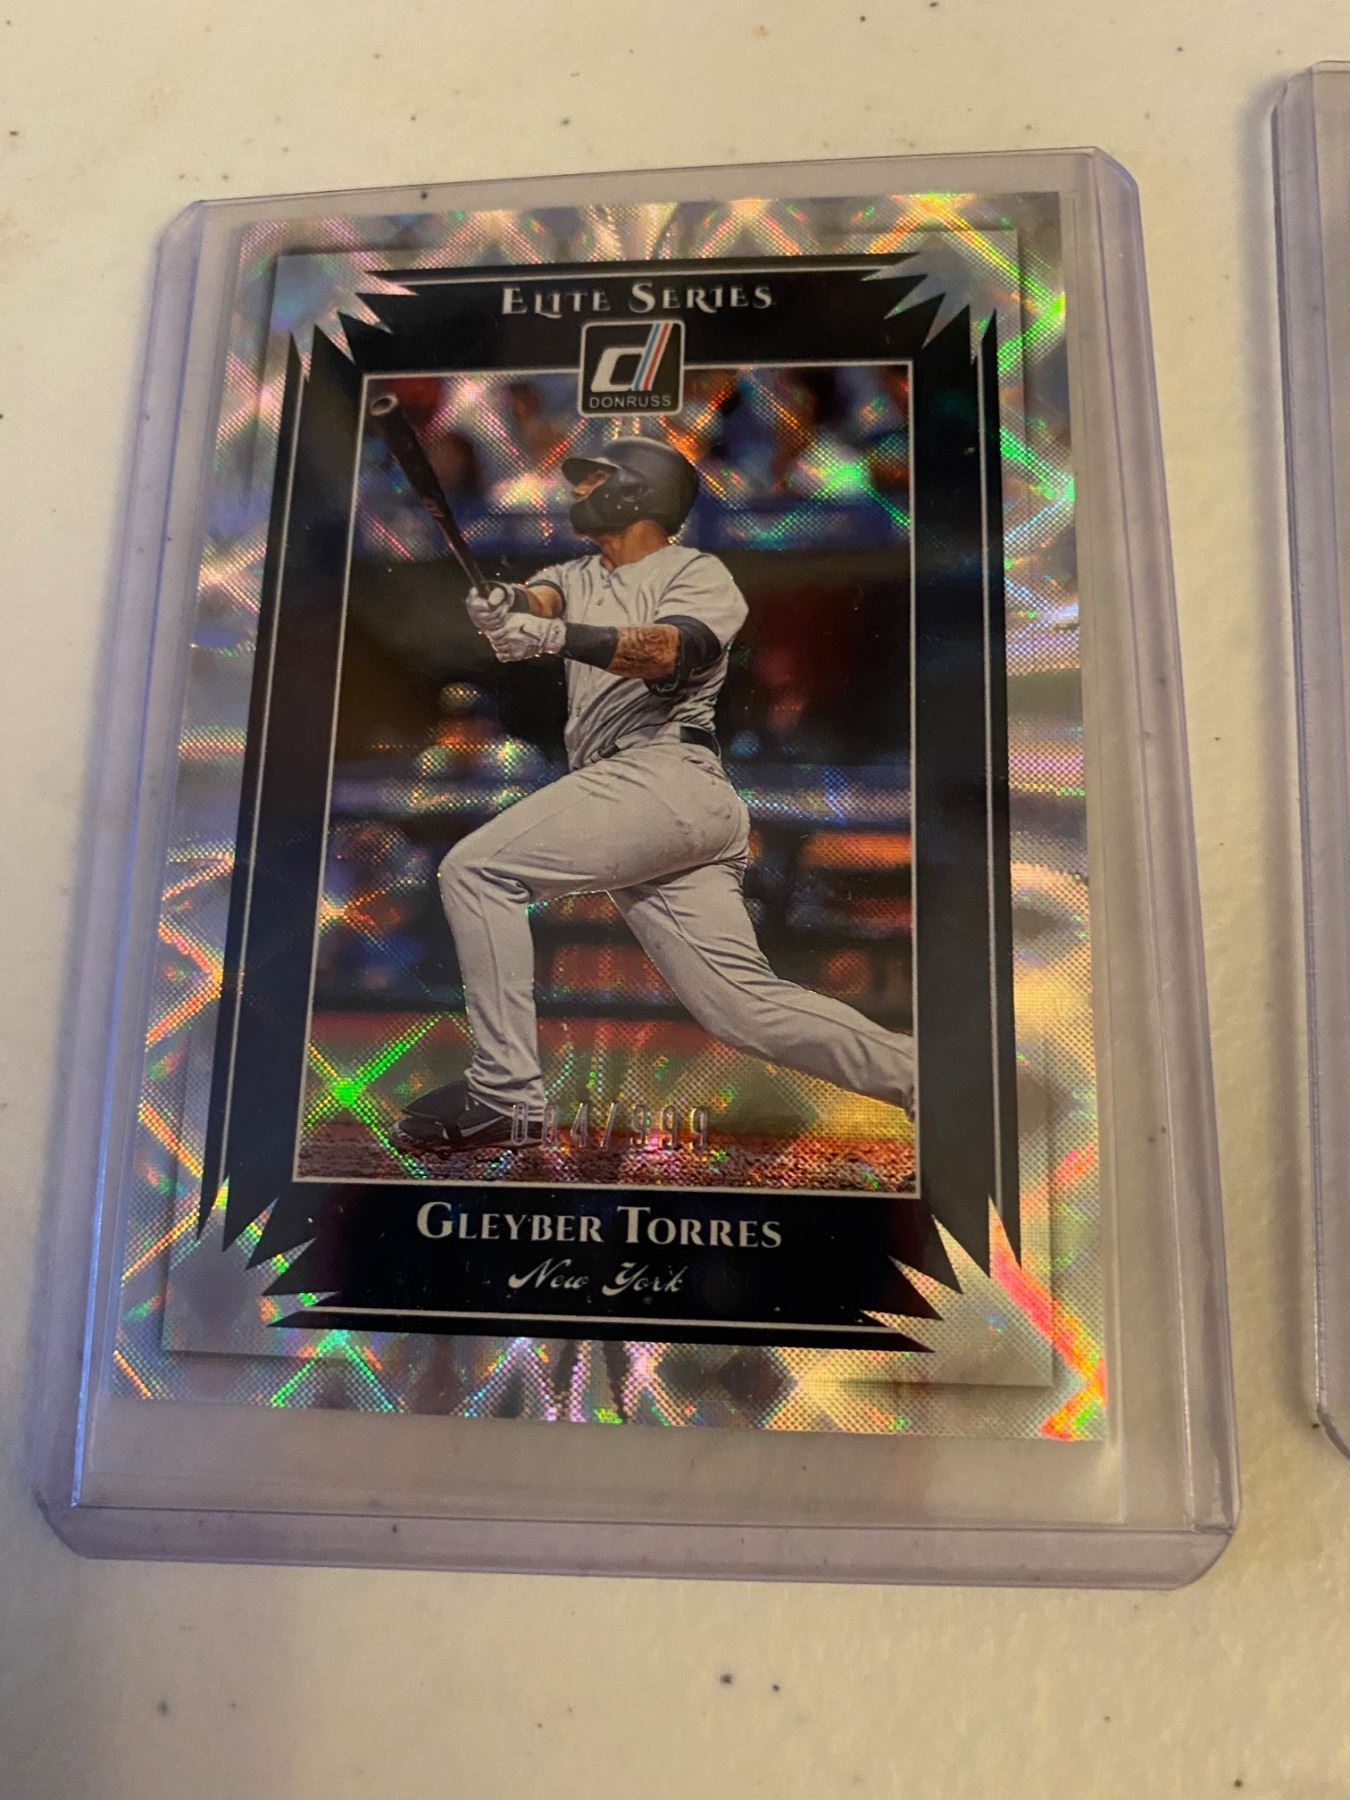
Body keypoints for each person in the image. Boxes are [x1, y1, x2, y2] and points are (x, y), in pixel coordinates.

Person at [398, 436, 915, 1149]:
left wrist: (548, 635)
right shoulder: (580, 573)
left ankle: (505, 1093)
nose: (580, 492)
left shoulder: (695, 574)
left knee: (476, 870)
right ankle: (927, 1081)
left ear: (638, 495)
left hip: (662, 775)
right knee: (743, 1010)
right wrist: (500, 606)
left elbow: (666, 651)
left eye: (595, 481)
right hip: (652, 802)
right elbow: (537, 599)